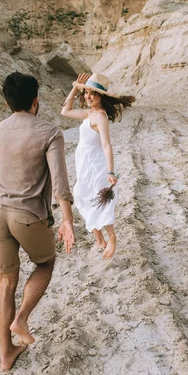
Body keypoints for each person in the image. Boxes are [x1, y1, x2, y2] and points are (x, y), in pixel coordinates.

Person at [0, 72, 75, 371]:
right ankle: (21, 318)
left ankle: (6, 356)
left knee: (6, 282)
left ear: (7, 101)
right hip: (27, 216)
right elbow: (61, 183)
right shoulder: (50, 132)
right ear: (36, 101)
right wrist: (67, 221)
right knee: (45, 263)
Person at [60, 73, 135, 259]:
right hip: (85, 164)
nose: (89, 96)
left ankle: (111, 237)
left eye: (93, 93)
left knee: (97, 201)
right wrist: (76, 88)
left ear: (102, 96)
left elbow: (106, 144)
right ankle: (100, 240)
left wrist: (110, 171)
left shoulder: (99, 116)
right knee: (82, 197)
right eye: (86, 92)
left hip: (96, 166)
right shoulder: (89, 113)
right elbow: (65, 111)